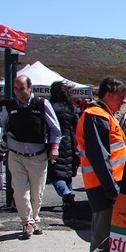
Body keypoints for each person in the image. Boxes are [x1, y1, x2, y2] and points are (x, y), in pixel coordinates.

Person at [76, 77, 126, 252]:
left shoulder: (104, 115)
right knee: (102, 236)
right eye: (121, 97)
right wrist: (112, 191)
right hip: (104, 186)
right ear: (109, 94)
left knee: (109, 235)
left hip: (109, 185)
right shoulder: (96, 116)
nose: (124, 101)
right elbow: (100, 158)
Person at [0, 75, 61, 239]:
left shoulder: (41, 105)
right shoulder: (10, 106)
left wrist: (54, 147)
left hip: (38, 156)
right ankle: (26, 221)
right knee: (19, 190)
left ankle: (35, 219)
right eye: (16, 89)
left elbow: (55, 129)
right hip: (16, 155)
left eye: (22, 88)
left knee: (36, 192)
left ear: (30, 88)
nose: (18, 92)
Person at [48, 81, 80, 209]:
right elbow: (77, 124)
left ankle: (66, 194)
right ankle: (68, 198)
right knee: (67, 171)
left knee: (55, 174)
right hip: (69, 141)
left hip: (54, 142)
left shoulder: (50, 107)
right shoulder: (71, 108)